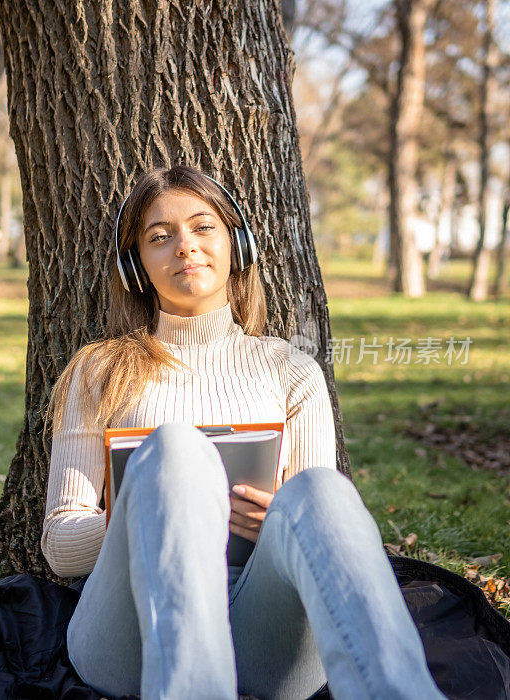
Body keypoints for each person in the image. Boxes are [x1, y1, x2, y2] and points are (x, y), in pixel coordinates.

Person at [40, 164, 446, 700]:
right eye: (160, 237)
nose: (185, 246)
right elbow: (60, 547)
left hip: (264, 635)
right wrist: (145, 514)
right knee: (177, 450)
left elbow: (320, 527)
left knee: (321, 492)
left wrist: (275, 517)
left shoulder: (291, 370)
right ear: (136, 266)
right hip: (130, 636)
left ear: (239, 245)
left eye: (203, 227)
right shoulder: (99, 371)